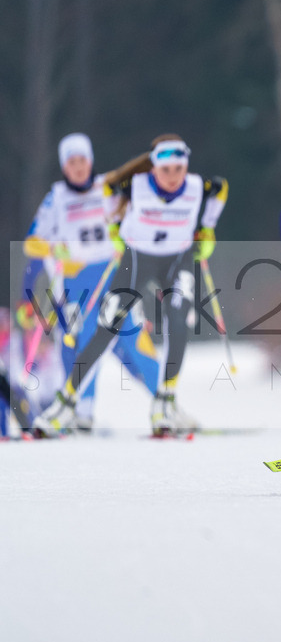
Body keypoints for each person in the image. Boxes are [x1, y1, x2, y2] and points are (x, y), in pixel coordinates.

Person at [33, 135, 228, 436]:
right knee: (102, 330)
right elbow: (106, 195)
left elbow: (220, 189)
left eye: (179, 169)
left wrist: (208, 229)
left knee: (172, 324)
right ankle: (69, 403)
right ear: (153, 169)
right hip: (125, 263)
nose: (173, 177)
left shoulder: (193, 186)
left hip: (173, 261)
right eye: (166, 170)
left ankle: (166, 401)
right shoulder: (124, 187)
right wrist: (108, 230)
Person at [16, 133, 160, 432]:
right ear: (64, 167)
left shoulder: (108, 186)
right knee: (86, 342)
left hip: (113, 273)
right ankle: (82, 412)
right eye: (71, 162)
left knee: (133, 336)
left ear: (90, 160)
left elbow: (142, 183)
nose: (78, 167)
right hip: (76, 280)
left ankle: (164, 399)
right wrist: (54, 249)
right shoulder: (56, 197)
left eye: (82, 160)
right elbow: (32, 244)